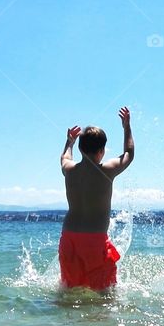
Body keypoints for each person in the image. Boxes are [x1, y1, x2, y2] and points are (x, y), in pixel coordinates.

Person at [58, 107, 134, 291]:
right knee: (103, 294)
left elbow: (64, 157)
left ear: (81, 148)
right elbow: (129, 154)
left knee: (69, 289)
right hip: (95, 241)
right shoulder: (106, 170)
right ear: (101, 151)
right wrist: (127, 127)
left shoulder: (69, 170)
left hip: (69, 238)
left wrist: (69, 142)